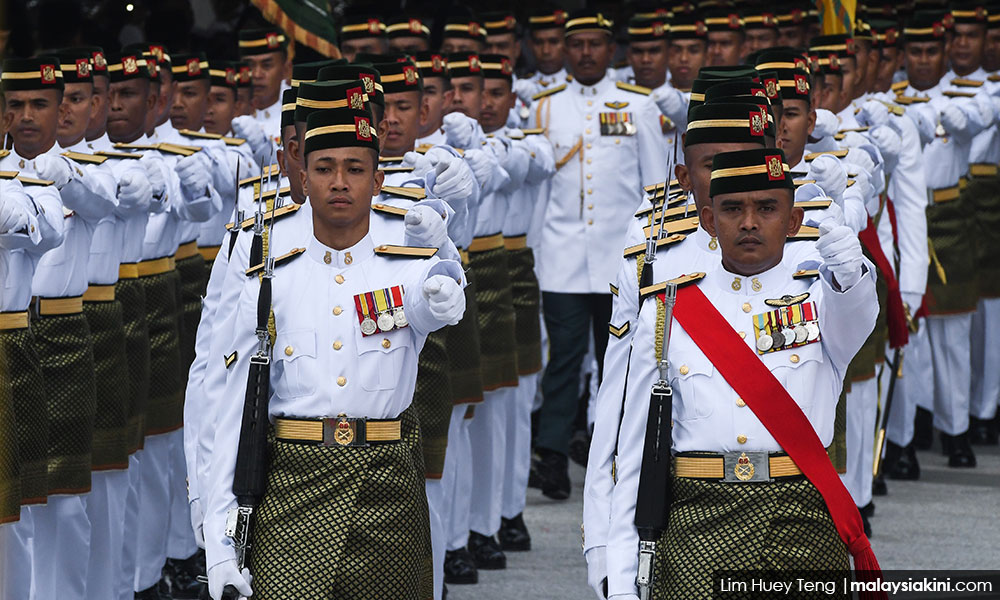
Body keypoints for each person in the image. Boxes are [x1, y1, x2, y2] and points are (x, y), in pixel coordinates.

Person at [205, 104, 467, 600]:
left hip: (387, 489)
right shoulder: (270, 280)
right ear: (302, 178)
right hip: (290, 495)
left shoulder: (402, 268)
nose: (340, 182)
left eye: (355, 169)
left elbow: (435, 297)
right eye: (325, 168)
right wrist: (220, 546)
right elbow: (232, 413)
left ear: (378, 180)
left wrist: (447, 283)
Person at [605, 147, 880, 599]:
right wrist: (620, 577)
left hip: (804, 522)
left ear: (793, 223)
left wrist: (852, 274)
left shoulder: (822, 301)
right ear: (709, 221)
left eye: (767, 208)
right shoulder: (666, 310)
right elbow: (634, 453)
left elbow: (857, 314)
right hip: (697, 528)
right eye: (733, 209)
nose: (749, 222)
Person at [529, 9, 667, 500]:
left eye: (595, 44)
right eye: (577, 44)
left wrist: (653, 252)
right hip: (562, 256)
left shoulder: (638, 104)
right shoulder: (544, 108)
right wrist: (534, 248)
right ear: (565, 50)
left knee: (621, 359)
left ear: (612, 50)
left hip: (620, 256)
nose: (586, 52)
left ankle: (616, 454)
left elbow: (656, 185)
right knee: (564, 357)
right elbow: (539, 189)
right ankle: (551, 453)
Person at [895, 10, 995, 468]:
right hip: (907, 217)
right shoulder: (888, 96)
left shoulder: (971, 93)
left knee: (953, 332)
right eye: (914, 51)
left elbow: (971, 122)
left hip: (950, 213)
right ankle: (910, 429)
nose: (922, 59)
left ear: (944, 50)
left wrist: (937, 112)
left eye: (931, 50)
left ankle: (957, 430)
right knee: (909, 331)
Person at [237, 27, 292, 141]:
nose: (257, 74)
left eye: (266, 66)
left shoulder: (295, 117)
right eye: (250, 66)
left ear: (286, 69)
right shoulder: (226, 113)